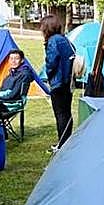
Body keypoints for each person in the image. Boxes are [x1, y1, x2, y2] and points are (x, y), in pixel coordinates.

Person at [41, 14, 75, 150]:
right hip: (67, 81)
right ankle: (67, 141)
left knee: (60, 113)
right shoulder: (64, 39)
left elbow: (52, 61)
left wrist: (49, 73)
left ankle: (62, 143)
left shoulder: (53, 41)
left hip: (58, 82)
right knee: (66, 113)